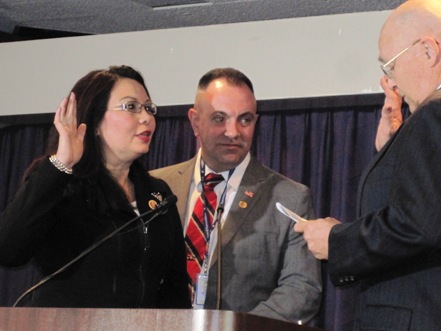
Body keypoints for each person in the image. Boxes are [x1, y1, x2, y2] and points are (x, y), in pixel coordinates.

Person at [295, 0, 441, 329]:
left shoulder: (434, 113)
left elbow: (416, 226)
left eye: (390, 66)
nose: (388, 82)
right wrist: (393, 147)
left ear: (429, 51)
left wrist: (336, 239)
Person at [0, 65, 191, 309]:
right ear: (95, 121)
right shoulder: (63, 183)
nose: (147, 117)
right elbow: (8, 250)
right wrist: (62, 163)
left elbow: (174, 289)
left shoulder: (158, 195)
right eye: (131, 107)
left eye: (148, 108)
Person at [150, 67, 322, 323]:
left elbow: (301, 290)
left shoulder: (289, 197)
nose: (233, 132)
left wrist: (233, 329)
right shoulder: (156, 186)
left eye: (245, 119)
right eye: (219, 118)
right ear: (195, 121)